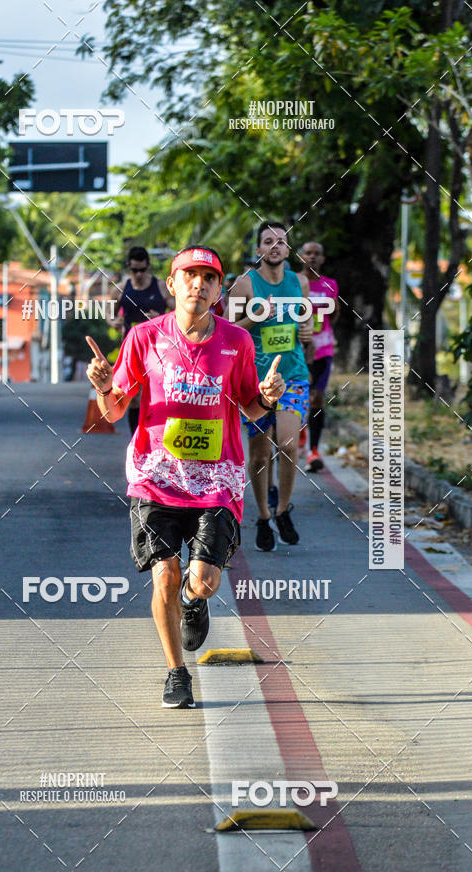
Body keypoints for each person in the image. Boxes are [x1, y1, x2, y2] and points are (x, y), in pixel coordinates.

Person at [87, 245, 286, 709]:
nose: (199, 284)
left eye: (209, 278)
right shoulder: (144, 337)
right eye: (189, 276)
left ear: (218, 290)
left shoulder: (237, 342)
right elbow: (115, 409)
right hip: (155, 474)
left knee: (201, 580)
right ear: (171, 284)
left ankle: (194, 601)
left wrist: (268, 396)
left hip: (215, 478)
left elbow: (248, 406)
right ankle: (177, 673)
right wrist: (102, 388)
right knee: (164, 576)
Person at [229, 221, 314, 550]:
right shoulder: (244, 285)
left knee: (288, 444)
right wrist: (254, 318)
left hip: (292, 374)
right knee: (260, 454)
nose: (275, 246)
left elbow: (304, 319)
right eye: (268, 241)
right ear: (258, 249)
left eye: (281, 241)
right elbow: (229, 330)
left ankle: (283, 509)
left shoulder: (299, 282)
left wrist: (306, 330)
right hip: (255, 381)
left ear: (288, 249)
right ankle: (263, 516)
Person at [107, 247, 173, 434]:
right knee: (134, 396)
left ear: (148, 267)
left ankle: (157, 435)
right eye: (134, 270)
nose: (138, 274)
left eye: (142, 270)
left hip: (159, 348)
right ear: (129, 267)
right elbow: (109, 315)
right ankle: (136, 439)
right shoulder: (120, 288)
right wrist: (114, 322)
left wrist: (160, 317)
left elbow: (179, 311)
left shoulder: (160, 286)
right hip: (132, 348)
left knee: (158, 392)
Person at [299, 241, 340, 472]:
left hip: (323, 349)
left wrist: (334, 309)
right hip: (296, 349)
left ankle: (313, 451)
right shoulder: (293, 282)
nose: (312, 257)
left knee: (316, 398)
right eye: (308, 253)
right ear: (301, 256)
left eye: (317, 254)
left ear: (322, 259)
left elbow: (332, 318)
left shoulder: (330, 285)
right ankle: (299, 437)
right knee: (299, 397)